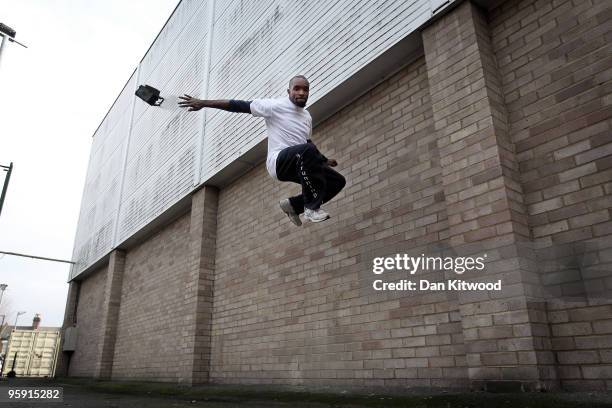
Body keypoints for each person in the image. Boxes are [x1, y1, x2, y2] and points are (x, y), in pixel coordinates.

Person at [178, 75, 346, 226]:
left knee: (337, 181)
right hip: (279, 162)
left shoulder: (306, 117)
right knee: (307, 151)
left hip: (300, 161)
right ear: (289, 91)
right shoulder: (275, 106)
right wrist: (204, 103)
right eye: (297, 89)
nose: (301, 92)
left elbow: (307, 141)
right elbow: (239, 105)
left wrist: (324, 160)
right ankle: (310, 208)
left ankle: (294, 206)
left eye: (305, 89)